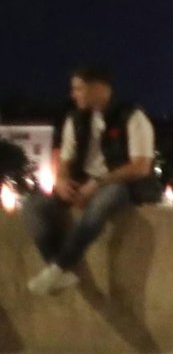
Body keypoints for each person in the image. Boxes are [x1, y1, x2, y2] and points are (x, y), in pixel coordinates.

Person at [25, 66, 159, 296]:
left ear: (99, 88)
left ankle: (59, 266)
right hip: (83, 183)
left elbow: (141, 166)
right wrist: (61, 181)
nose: (73, 94)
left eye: (79, 88)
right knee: (34, 205)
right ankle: (57, 269)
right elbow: (65, 160)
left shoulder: (133, 117)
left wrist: (98, 183)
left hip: (121, 186)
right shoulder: (75, 119)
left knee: (107, 197)